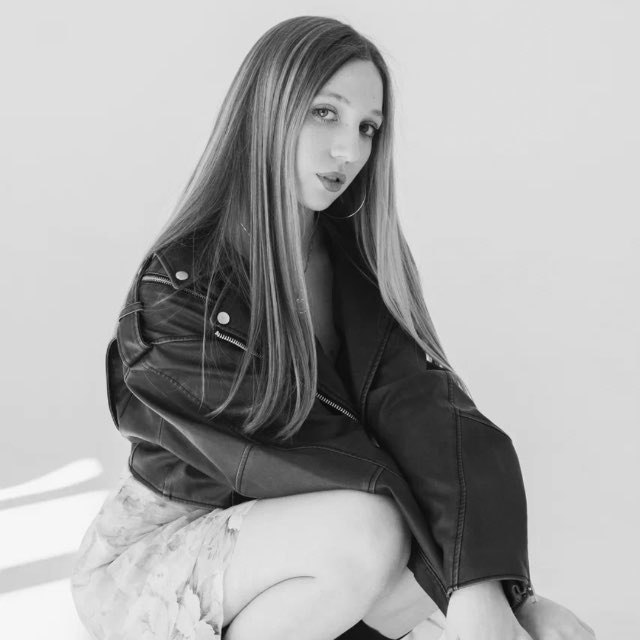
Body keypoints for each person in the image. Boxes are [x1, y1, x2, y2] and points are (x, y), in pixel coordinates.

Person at [70, 15, 597, 640]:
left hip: (311, 547)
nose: (349, 150)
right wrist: (469, 591)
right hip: (161, 560)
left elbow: (429, 417)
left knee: (510, 606)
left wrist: (504, 595)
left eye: (367, 127)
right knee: (373, 530)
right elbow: (312, 458)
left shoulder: (358, 263)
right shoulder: (179, 288)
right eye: (325, 113)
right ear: (268, 110)